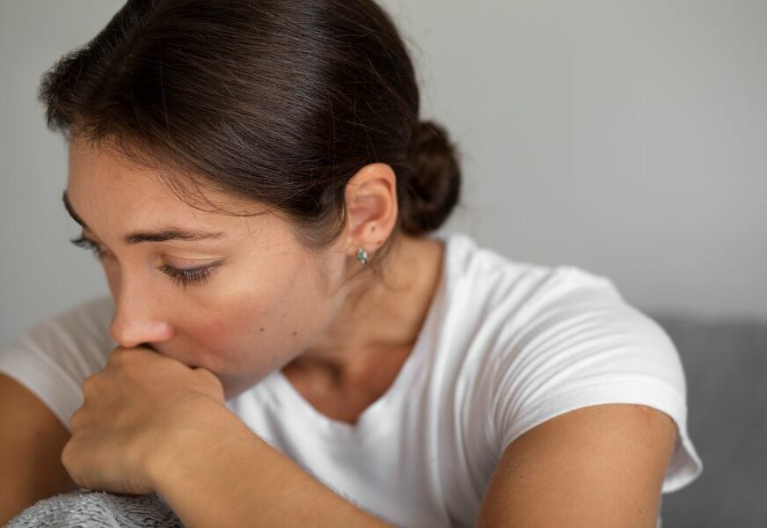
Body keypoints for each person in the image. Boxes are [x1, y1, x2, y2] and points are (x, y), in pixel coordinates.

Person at [0, 0, 703, 526]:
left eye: (186, 266)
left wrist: (188, 445)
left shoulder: (575, 355)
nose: (126, 327)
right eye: (97, 245)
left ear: (363, 214)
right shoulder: (73, 373)